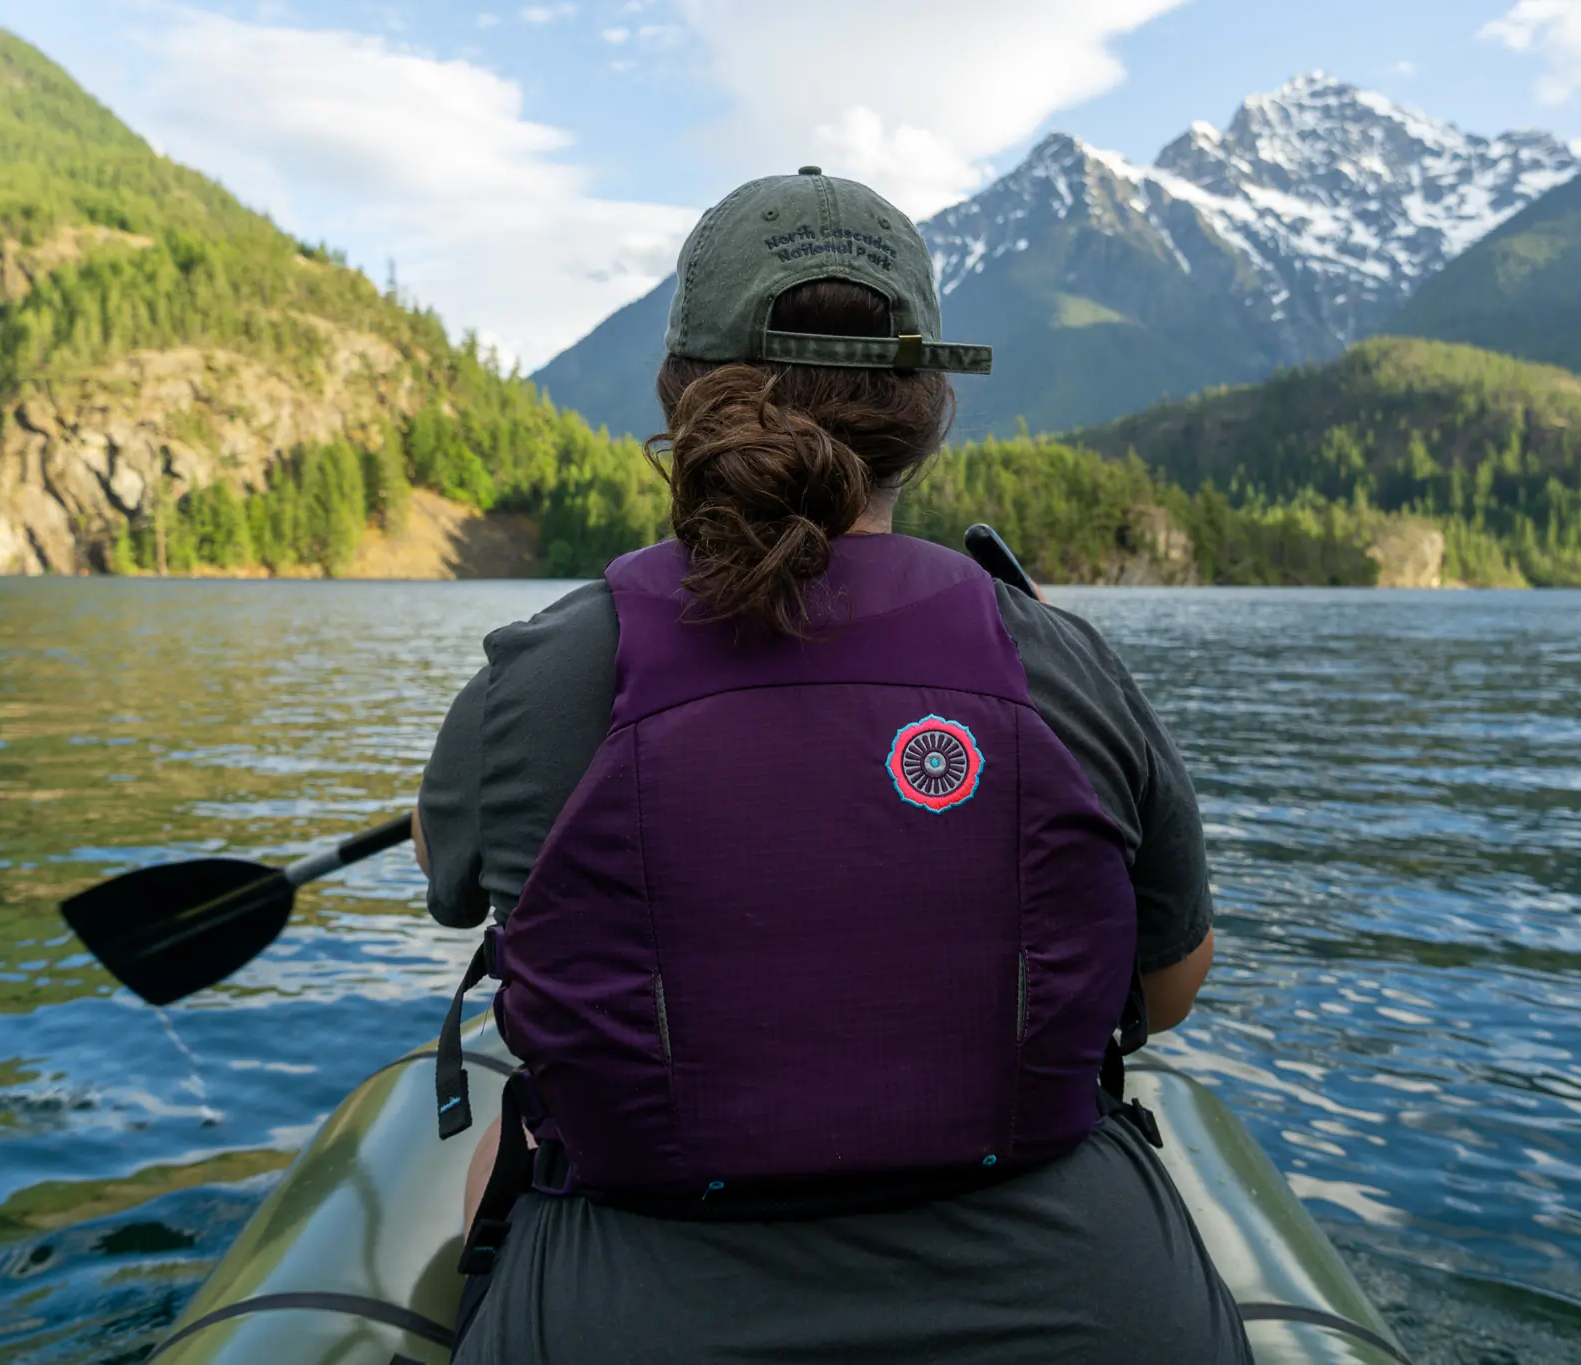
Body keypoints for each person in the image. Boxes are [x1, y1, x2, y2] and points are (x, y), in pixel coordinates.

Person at [413, 167, 1248, 1365]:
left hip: (626, 1315)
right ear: (926, 408)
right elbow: (1163, 990)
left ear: (679, 392)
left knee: (506, 1143)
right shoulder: (1060, 662)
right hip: (1089, 1313)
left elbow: (452, 877)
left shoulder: (536, 682)